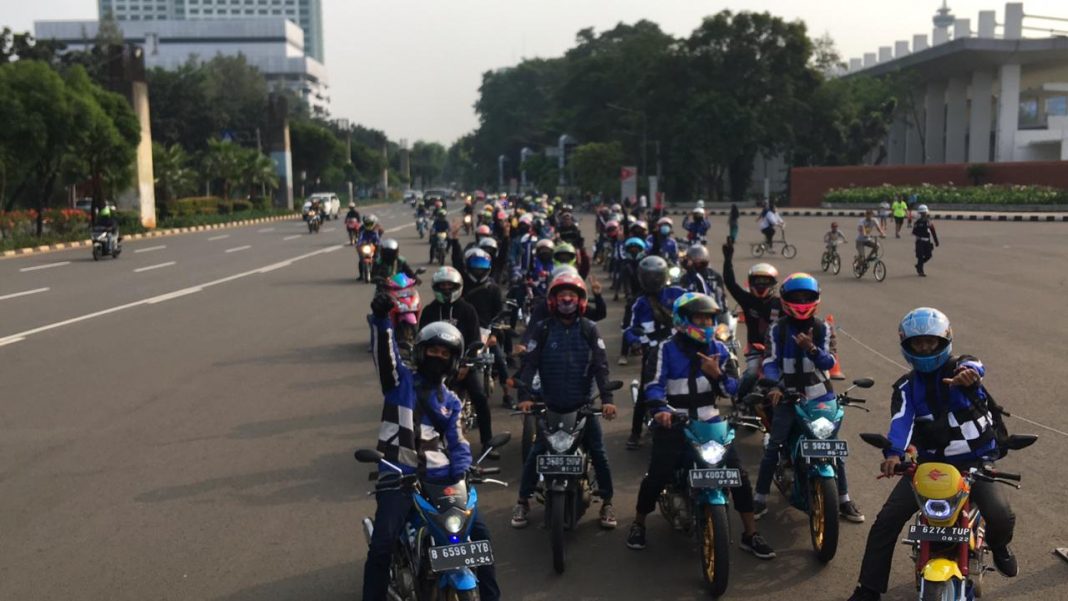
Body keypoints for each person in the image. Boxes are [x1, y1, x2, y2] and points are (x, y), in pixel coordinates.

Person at [847, 308, 1017, 601]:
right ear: (907, 346)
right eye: (918, 343)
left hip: (974, 462)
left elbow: (974, 364)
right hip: (929, 465)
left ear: (945, 341)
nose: (925, 348)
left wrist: (970, 374)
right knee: (886, 521)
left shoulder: (962, 369)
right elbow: (901, 421)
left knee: (1000, 514)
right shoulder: (906, 387)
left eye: (931, 341)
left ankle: (999, 546)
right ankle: (868, 589)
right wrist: (893, 454)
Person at [363, 301, 500, 601]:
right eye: (433, 350)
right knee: (382, 545)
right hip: (399, 476)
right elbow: (385, 355)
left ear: (453, 360)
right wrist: (383, 319)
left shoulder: (451, 401)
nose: (437, 357)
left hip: (441, 480)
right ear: (420, 352)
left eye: (445, 353)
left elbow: (458, 442)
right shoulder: (399, 383)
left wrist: (463, 470)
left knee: (481, 539)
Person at [625, 293, 776, 559]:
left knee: (738, 476)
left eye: (709, 319)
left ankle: (750, 533)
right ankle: (639, 523)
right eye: (699, 318)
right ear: (683, 320)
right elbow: (654, 386)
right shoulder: (664, 349)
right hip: (674, 421)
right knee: (658, 474)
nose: (706, 323)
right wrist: (661, 411)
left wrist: (716, 374)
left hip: (710, 422)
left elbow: (733, 390)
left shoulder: (720, 349)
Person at [753, 273, 864, 522]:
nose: (802, 302)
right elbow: (770, 361)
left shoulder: (823, 328)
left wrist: (811, 348)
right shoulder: (777, 329)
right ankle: (759, 497)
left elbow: (829, 361)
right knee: (774, 446)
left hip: (820, 396)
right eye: (796, 297)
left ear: (815, 299)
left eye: (806, 297)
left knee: (832, 446)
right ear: (785, 300)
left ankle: (844, 499)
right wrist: (775, 386)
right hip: (787, 396)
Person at [512, 273, 619, 529]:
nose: (567, 299)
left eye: (572, 295)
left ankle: (607, 502)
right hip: (550, 407)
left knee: (599, 454)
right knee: (536, 454)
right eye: (562, 295)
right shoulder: (543, 329)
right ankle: (523, 501)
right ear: (553, 299)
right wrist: (524, 397)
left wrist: (607, 400)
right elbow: (529, 365)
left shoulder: (589, 329)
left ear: (580, 299)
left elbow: (601, 367)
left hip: (582, 408)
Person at [418, 267, 498, 459]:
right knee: (416, 398)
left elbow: (474, 339)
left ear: (458, 287)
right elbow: (421, 339)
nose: (446, 289)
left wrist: (465, 364)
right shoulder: (429, 311)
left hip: (463, 363)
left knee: (479, 397)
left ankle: (488, 442)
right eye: (442, 286)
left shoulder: (467, 310)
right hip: (435, 366)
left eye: (450, 286)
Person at [623, 256, 687, 449]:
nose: (652, 280)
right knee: (646, 392)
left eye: (656, 276)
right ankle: (635, 433)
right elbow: (628, 329)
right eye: (648, 276)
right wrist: (638, 340)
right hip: (652, 354)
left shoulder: (678, 293)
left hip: (679, 350)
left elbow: (697, 305)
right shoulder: (638, 303)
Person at [452, 246, 512, 408]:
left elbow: (499, 313)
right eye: (475, 266)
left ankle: (506, 394)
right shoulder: (462, 287)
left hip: (486, 331)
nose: (479, 270)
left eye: (482, 266)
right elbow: (456, 262)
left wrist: (494, 334)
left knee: (500, 360)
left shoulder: (493, 289)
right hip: (464, 331)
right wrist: (454, 240)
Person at [722, 241, 781, 400]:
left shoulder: (781, 304)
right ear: (750, 282)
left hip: (777, 350)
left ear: (774, 283)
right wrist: (728, 259)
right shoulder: (747, 300)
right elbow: (730, 283)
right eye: (757, 281)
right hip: (755, 349)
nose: (761, 285)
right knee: (752, 373)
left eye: (765, 281)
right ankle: (738, 396)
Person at [679, 245, 727, 320]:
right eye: (695, 257)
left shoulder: (715, 276)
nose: (697, 260)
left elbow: (721, 296)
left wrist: (723, 310)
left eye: (699, 257)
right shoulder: (685, 277)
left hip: (715, 311)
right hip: (693, 313)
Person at [911, 204, 939, 277]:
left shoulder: (929, 222)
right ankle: (920, 271)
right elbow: (914, 232)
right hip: (920, 241)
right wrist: (919, 231)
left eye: (924, 213)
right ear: (920, 214)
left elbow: (933, 232)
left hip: (927, 241)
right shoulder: (917, 222)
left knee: (929, 255)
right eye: (922, 213)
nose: (923, 214)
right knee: (920, 256)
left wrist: (936, 241)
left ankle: (918, 265)